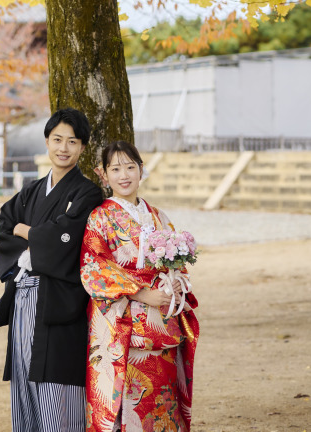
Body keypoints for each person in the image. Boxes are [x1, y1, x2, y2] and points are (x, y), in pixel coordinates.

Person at [0, 108, 103, 432]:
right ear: (47, 141)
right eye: (57, 139)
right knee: (24, 393)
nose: (63, 148)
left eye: (72, 141)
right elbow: (4, 223)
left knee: (57, 395)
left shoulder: (87, 193)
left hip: (59, 304)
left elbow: (63, 239)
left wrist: (27, 232)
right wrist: (41, 235)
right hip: (23, 300)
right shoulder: (31, 191)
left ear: (82, 147)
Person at [80, 141, 200, 432]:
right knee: (129, 404)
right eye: (116, 168)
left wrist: (174, 283)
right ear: (103, 174)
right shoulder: (100, 218)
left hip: (163, 322)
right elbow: (93, 267)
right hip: (125, 327)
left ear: (141, 170)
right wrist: (142, 293)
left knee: (163, 401)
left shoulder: (158, 216)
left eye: (130, 167)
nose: (124, 175)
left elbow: (176, 264)